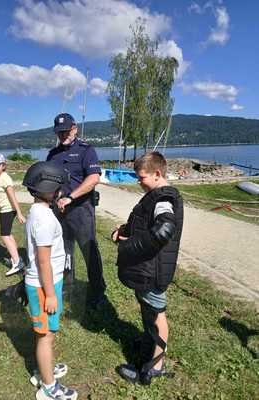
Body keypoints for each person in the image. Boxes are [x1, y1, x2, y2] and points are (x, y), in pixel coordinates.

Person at [112, 152, 183, 385]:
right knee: (150, 313)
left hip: (153, 271)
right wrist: (124, 230)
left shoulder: (163, 200)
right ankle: (149, 346)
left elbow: (164, 230)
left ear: (157, 174)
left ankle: (154, 368)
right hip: (148, 269)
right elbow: (145, 224)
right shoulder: (155, 195)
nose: (138, 181)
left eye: (141, 177)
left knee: (156, 316)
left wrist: (128, 246)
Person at [22, 161, 78, 400]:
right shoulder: (44, 219)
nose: (60, 192)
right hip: (45, 286)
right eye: (57, 189)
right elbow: (43, 261)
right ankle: (48, 387)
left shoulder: (39, 211)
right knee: (46, 336)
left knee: (44, 332)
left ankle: (44, 369)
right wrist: (52, 295)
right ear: (46, 189)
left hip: (45, 283)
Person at [46, 113, 106, 309]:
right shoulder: (52, 155)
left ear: (74, 128)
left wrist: (71, 197)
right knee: (64, 252)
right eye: (59, 132)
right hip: (59, 211)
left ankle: (98, 291)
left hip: (81, 209)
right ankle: (68, 287)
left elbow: (94, 178)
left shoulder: (86, 151)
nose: (62, 135)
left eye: (65, 131)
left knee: (89, 251)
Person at [0, 152, 26, 276]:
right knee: (8, 234)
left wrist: (19, 213)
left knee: (4, 236)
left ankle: (17, 263)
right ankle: (17, 258)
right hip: (3, 209)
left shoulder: (5, 178)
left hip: (8, 209)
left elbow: (12, 197)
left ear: (3, 165)